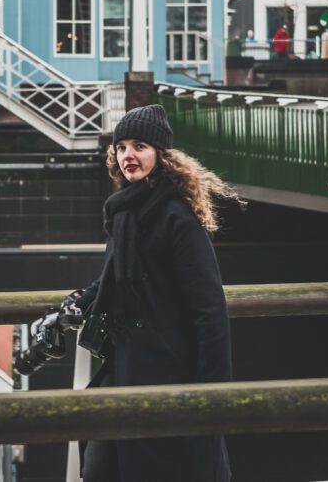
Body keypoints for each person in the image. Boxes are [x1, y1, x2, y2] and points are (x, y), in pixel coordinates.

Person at [77, 104, 238, 482]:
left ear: (161, 156)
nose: (128, 155)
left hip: (168, 368)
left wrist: (212, 393)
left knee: (155, 467)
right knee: (99, 466)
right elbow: (117, 278)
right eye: (121, 147)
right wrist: (82, 298)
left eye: (139, 147)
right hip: (128, 363)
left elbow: (209, 309)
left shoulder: (176, 217)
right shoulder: (125, 212)